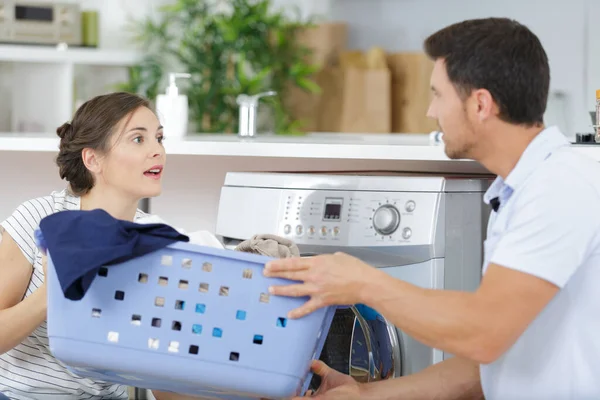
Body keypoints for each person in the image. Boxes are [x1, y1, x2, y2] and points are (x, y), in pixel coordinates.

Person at [263, 17, 600, 400]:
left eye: (438, 95)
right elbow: (488, 362)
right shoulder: (518, 192)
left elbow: (483, 335)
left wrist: (362, 282)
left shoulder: (558, 188)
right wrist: (366, 395)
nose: (429, 112)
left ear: (480, 104)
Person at [0, 92, 197, 400]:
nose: (157, 151)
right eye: (137, 139)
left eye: (159, 138)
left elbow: (161, 385)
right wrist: (50, 295)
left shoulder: (156, 241)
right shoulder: (40, 219)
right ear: (92, 159)